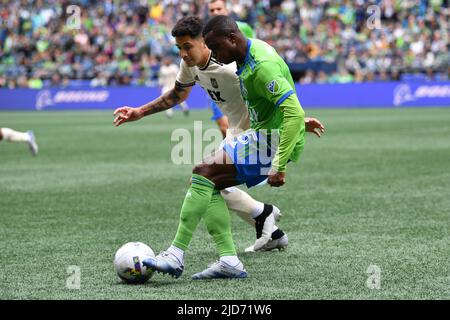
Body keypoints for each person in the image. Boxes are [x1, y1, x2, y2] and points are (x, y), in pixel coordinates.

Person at [113, 16, 323, 279]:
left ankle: (189, 252)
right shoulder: (191, 64)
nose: (183, 53)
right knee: (206, 182)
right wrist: (139, 112)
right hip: (246, 131)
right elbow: (177, 94)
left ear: (205, 43)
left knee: (204, 177)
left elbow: (275, 100)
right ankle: (257, 226)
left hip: (256, 134)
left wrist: (295, 125)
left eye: (187, 46)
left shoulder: (231, 65)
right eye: (179, 48)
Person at [208, 0, 254, 138]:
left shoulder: (243, 27)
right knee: (224, 128)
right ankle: (230, 156)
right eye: (212, 10)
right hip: (218, 86)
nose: (215, 12)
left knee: (242, 129)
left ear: (226, 10)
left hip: (239, 84)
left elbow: (252, 51)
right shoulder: (206, 33)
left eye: (218, 8)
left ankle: (238, 156)